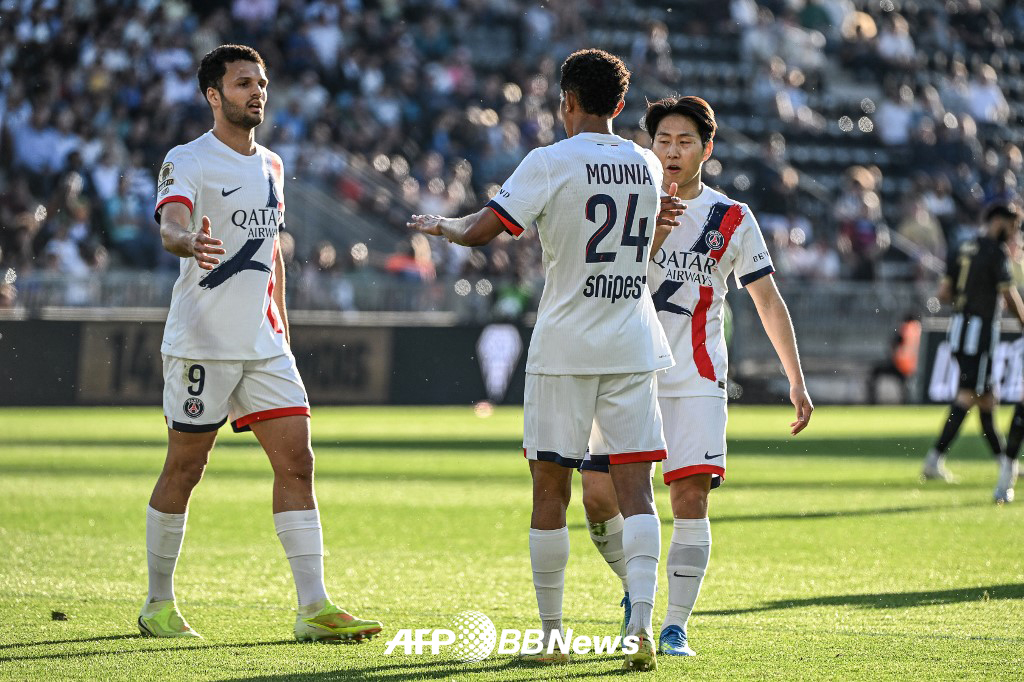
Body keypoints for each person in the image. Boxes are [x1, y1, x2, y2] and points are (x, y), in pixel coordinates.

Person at [408, 49, 684, 671]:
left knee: (549, 489)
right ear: (619, 106)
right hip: (633, 340)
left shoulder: (550, 161)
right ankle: (640, 624)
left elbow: (488, 229)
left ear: (567, 102)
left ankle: (553, 634)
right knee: (637, 490)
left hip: (565, 347)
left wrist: (446, 227)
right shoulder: (646, 162)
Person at [140, 44, 381, 642]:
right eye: (244, 83)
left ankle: (313, 606)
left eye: (262, 83)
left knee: (297, 464)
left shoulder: (272, 164)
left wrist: (284, 329)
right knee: (186, 466)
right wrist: (185, 242)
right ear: (213, 96)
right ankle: (157, 603)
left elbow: (271, 253)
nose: (257, 92)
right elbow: (171, 221)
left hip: (265, 344)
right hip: (202, 341)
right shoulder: (188, 158)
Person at [577, 96, 813, 658]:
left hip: (696, 380)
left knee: (690, 497)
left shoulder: (731, 217)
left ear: (707, 149)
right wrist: (652, 232)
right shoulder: (624, 204)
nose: (673, 151)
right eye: (663, 141)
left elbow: (766, 299)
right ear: (649, 147)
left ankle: (673, 625)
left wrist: (795, 380)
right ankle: (636, 593)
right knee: (595, 496)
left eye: (685, 142)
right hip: (624, 375)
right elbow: (599, 280)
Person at [922, 203, 1024, 503]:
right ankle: (934, 459)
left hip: (959, 329)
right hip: (978, 335)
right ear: (999, 222)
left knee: (988, 400)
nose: (1015, 232)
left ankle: (1004, 463)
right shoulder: (995, 252)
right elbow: (1010, 295)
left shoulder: (962, 246)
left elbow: (943, 293)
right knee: (968, 396)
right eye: (1014, 226)